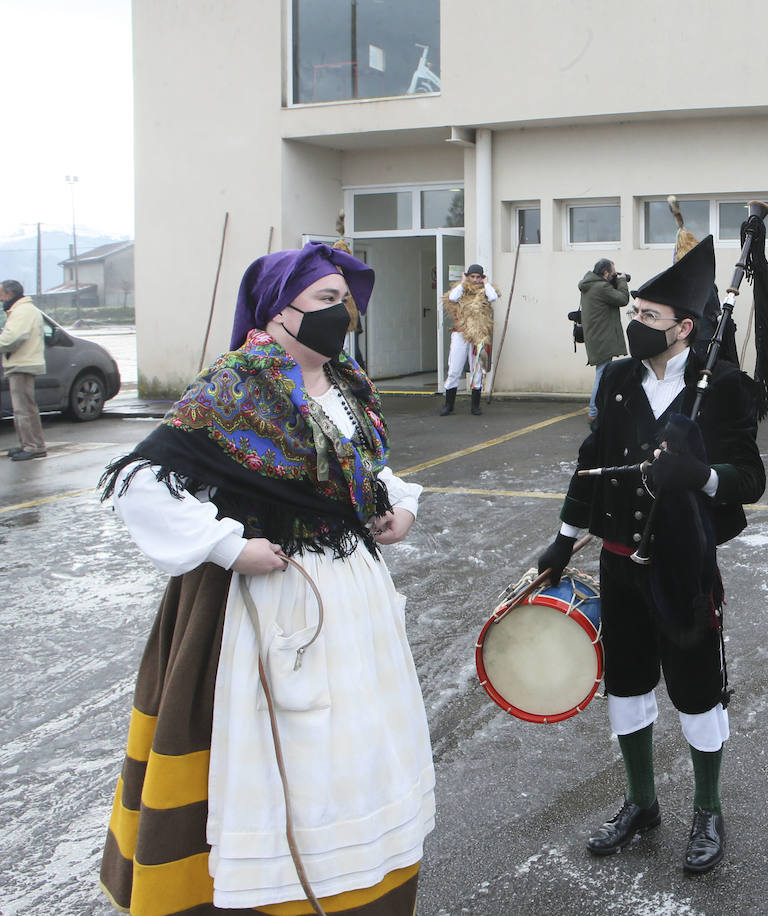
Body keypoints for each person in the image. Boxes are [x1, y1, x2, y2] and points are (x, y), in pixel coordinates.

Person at [98, 242, 434, 915]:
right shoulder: (236, 386)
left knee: (357, 743)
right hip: (275, 596)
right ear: (279, 311)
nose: (344, 316)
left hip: (352, 595)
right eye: (326, 301)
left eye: (346, 302)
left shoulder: (345, 386)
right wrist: (227, 546)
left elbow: (360, 470)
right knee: (293, 753)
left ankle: (362, 880)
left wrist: (396, 504)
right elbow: (139, 482)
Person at [535, 237, 764, 875]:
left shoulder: (722, 387)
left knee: (696, 692)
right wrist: (563, 535)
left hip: (683, 566)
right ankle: (641, 802)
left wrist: (702, 475)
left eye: (649, 318)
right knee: (627, 685)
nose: (636, 325)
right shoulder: (614, 377)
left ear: (685, 327)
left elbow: (750, 479)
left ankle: (708, 809)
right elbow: (589, 466)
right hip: (616, 560)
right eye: (634, 313)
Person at [440, 264, 499, 416]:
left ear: (482, 277)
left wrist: (486, 283)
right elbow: (452, 297)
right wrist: (462, 282)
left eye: (478, 277)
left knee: (477, 369)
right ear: (467, 276)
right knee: (454, 369)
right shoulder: (461, 291)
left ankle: (475, 406)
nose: (475, 280)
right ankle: (449, 405)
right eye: (472, 277)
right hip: (461, 334)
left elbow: (493, 297)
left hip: (478, 335)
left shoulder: (485, 291)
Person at [577, 258, 631, 426]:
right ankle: (594, 412)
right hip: (602, 338)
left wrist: (615, 280)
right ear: (606, 274)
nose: (615, 275)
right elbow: (622, 299)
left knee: (603, 373)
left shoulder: (591, 285)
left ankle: (598, 409)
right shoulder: (601, 287)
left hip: (597, 337)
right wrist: (622, 281)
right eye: (613, 273)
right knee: (602, 374)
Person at [0, 280, 48, 460]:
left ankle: (33, 447)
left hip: (23, 364)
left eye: (2, 294)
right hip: (22, 363)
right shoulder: (24, 309)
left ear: (10, 294)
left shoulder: (22, 311)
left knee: (24, 408)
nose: (0, 298)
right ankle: (28, 444)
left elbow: (12, 337)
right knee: (24, 408)